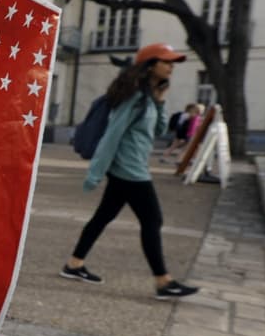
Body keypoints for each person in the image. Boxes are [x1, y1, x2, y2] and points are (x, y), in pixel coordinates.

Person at [60, 43, 200, 300]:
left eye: (173, 62)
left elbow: (159, 131)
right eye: (166, 61)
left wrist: (160, 102)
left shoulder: (147, 97)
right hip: (130, 170)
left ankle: (74, 264)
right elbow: (112, 135)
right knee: (152, 220)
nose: (171, 67)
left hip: (131, 167)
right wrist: (95, 172)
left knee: (103, 216)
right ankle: (163, 281)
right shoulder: (134, 97)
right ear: (150, 65)